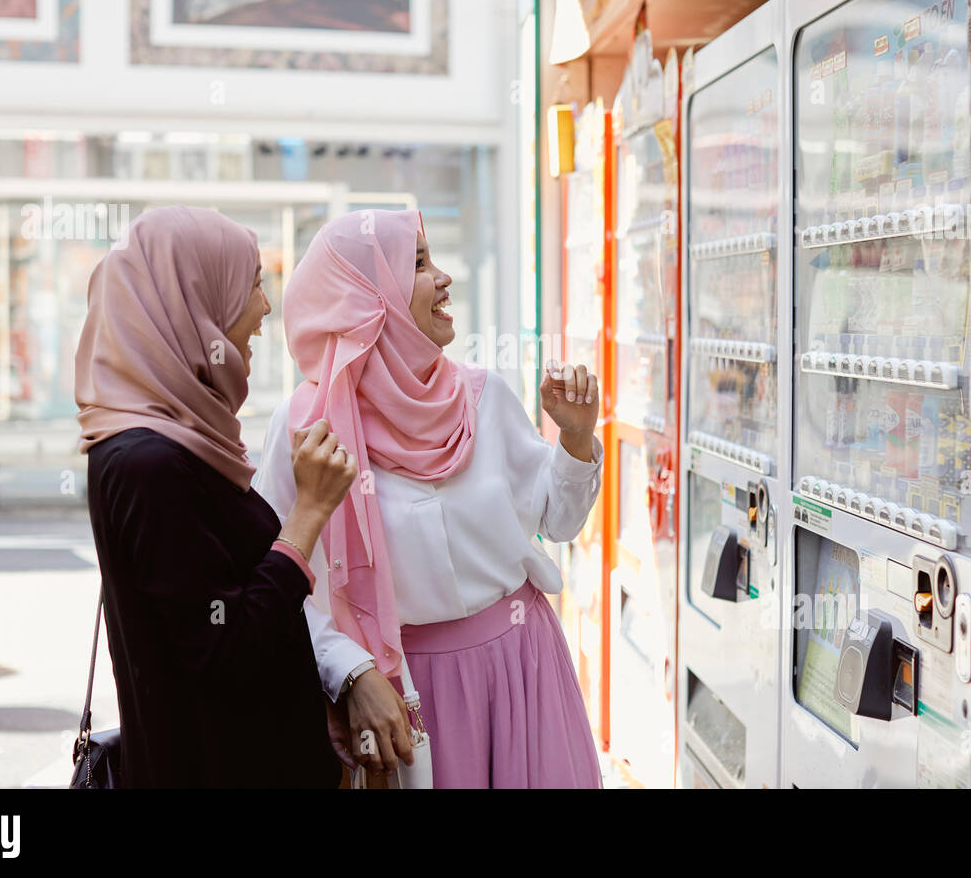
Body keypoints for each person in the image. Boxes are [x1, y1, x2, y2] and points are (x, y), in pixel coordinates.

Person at [253, 208, 604, 788]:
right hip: (403, 696)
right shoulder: (306, 428)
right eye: (416, 263)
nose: (442, 277)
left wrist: (574, 437)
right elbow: (279, 583)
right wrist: (348, 673)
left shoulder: (484, 395)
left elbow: (559, 522)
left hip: (523, 669)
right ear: (367, 296)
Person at [76, 205, 354, 788]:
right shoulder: (147, 462)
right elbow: (222, 646)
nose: (264, 306)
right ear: (192, 303)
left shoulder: (172, 444)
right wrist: (307, 517)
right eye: (250, 281)